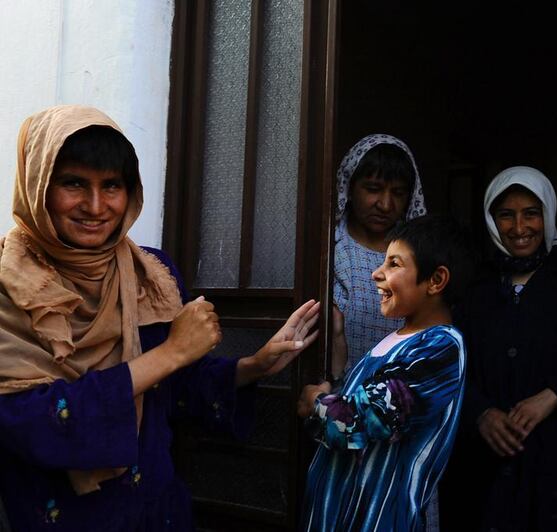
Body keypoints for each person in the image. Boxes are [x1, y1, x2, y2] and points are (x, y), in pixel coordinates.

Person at [0, 105, 320, 531]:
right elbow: (25, 421)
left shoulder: (149, 274)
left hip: (155, 512)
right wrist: (171, 353)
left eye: (111, 185)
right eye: (73, 183)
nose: (96, 206)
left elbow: (174, 389)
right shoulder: (11, 287)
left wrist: (251, 367)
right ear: (37, 184)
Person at [450, 166, 557, 531]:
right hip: (486, 471)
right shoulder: (474, 290)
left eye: (531, 213)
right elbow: (450, 366)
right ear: (491, 221)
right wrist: (480, 412)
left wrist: (555, 394)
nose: (519, 227)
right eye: (506, 215)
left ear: (549, 215)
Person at [298, 215, 473, 532]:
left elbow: (358, 422)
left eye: (394, 264)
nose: (377, 273)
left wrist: (316, 402)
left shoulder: (442, 348)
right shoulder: (395, 341)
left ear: (436, 280)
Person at [331, 133, 426, 379]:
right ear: (350, 187)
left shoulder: (421, 257)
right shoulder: (329, 249)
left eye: (398, 193)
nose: (385, 205)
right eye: (373, 189)